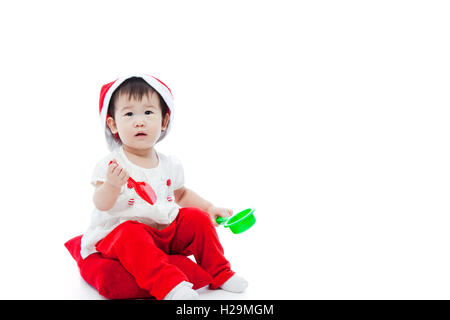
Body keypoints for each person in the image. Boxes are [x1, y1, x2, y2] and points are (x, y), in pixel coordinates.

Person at [80, 74, 248, 300]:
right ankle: (170, 286)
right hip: (122, 236)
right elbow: (101, 203)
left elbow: (182, 194)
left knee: (196, 218)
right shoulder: (112, 165)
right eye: (129, 114)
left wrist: (209, 208)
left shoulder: (169, 163)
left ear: (164, 121)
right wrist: (111, 184)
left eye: (148, 112)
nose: (139, 121)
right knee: (131, 234)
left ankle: (220, 272)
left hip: (162, 231)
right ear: (113, 125)